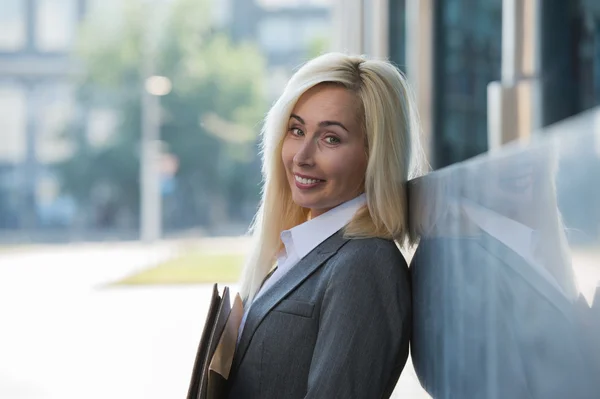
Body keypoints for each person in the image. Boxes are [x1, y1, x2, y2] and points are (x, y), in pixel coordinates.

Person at [225, 52, 425, 399]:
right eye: (296, 129)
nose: (301, 156)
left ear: (374, 154)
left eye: (330, 138)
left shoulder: (365, 264)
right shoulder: (303, 250)